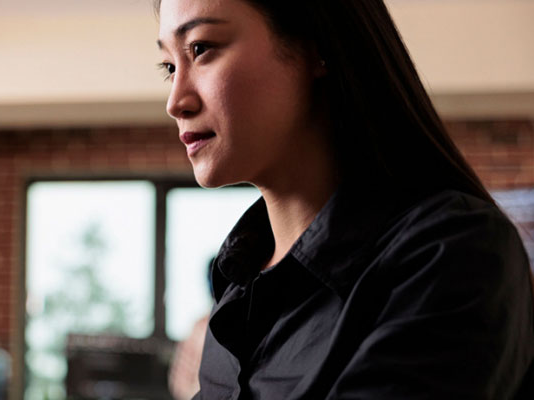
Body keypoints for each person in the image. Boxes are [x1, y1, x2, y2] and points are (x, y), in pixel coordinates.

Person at [153, 0, 534, 398]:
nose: (175, 101)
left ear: (317, 46)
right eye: (169, 67)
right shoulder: (236, 292)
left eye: (201, 49)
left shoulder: (451, 253)